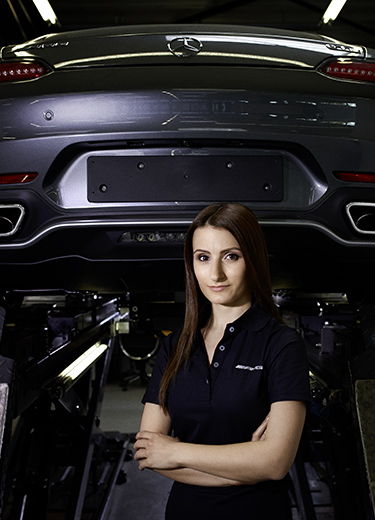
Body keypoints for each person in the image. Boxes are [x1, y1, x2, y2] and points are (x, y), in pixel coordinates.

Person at [133, 202, 310, 520]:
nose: (215, 274)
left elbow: (275, 463)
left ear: (253, 260)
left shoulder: (282, 344)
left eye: (231, 256)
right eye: (203, 258)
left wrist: (175, 451)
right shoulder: (175, 346)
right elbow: (149, 453)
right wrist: (247, 468)